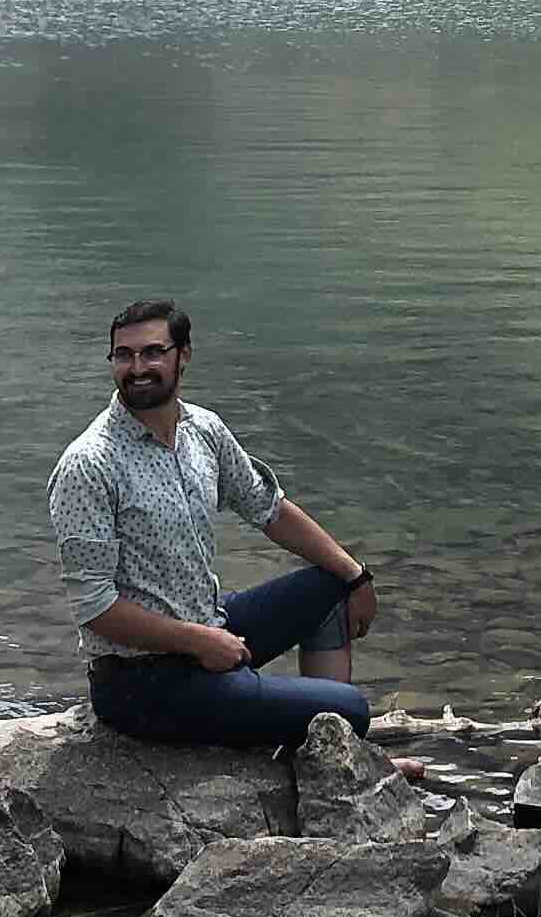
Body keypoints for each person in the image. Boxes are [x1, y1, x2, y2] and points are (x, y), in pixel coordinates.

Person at [47, 298, 382, 749]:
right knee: (349, 708)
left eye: (152, 353)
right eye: (123, 355)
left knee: (330, 586)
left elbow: (271, 509)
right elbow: (93, 606)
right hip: (139, 683)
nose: (137, 367)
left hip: (209, 622)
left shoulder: (203, 430)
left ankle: (337, 756)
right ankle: (331, 753)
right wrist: (199, 642)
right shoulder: (90, 464)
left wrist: (356, 575)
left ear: (183, 355)